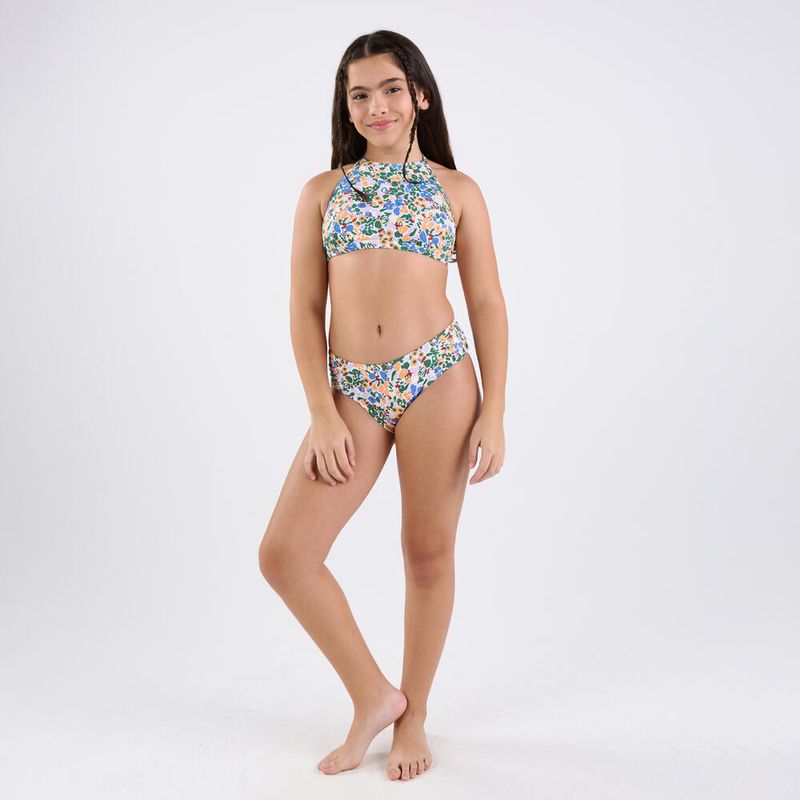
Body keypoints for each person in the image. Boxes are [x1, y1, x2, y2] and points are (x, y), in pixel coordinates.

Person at [258, 29, 508, 782]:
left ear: (420, 95)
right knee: (285, 555)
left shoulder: (457, 191)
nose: (377, 106)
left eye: (391, 89)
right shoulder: (323, 193)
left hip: (439, 376)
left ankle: (415, 713)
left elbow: (487, 302)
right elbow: (305, 308)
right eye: (360, 94)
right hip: (352, 390)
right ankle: (375, 696)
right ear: (347, 107)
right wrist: (321, 412)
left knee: (426, 552)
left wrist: (494, 410)